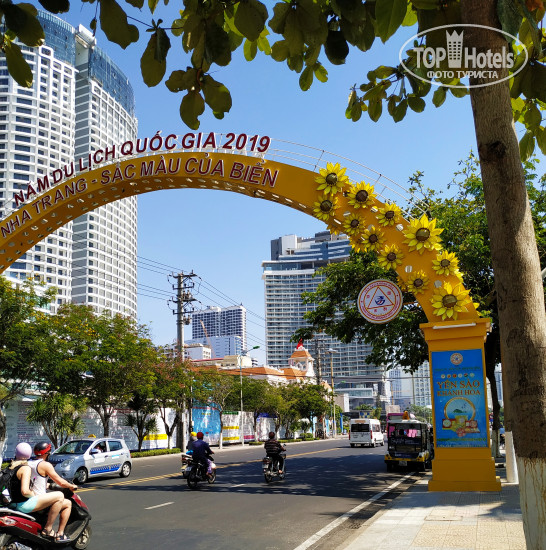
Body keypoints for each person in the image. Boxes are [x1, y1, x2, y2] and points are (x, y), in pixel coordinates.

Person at [8, 442, 66, 540]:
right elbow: (25, 492)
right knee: (60, 495)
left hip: (11, 503)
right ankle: (48, 529)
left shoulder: (10, 466)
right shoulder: (25, 468)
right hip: (22, 505)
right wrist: (33, 494)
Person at [28, 442, 78, 542]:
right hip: (40, 500)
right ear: (47, 453)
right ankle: (58, 533)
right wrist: (71, 486)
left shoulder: (29, 463)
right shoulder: (45, 465)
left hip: (29, 497)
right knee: (67, 503)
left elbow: (36, 480)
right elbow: (60, 481)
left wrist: (47, 485)